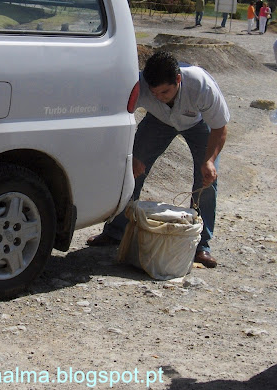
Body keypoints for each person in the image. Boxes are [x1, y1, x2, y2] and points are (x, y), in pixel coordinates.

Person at [87, 50, 230, 268]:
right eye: (154, 94)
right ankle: (115, 231)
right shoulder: (139, 85)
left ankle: (200, 245)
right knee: (128, 173)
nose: (159, 97)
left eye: (165, 92)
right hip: (158, 121)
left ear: (178, 79)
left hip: (197, 124)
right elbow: (118, 120)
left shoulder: (201, 85)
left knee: (206, 181)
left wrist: (209, 160)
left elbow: (220, 127)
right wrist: (131, 155)